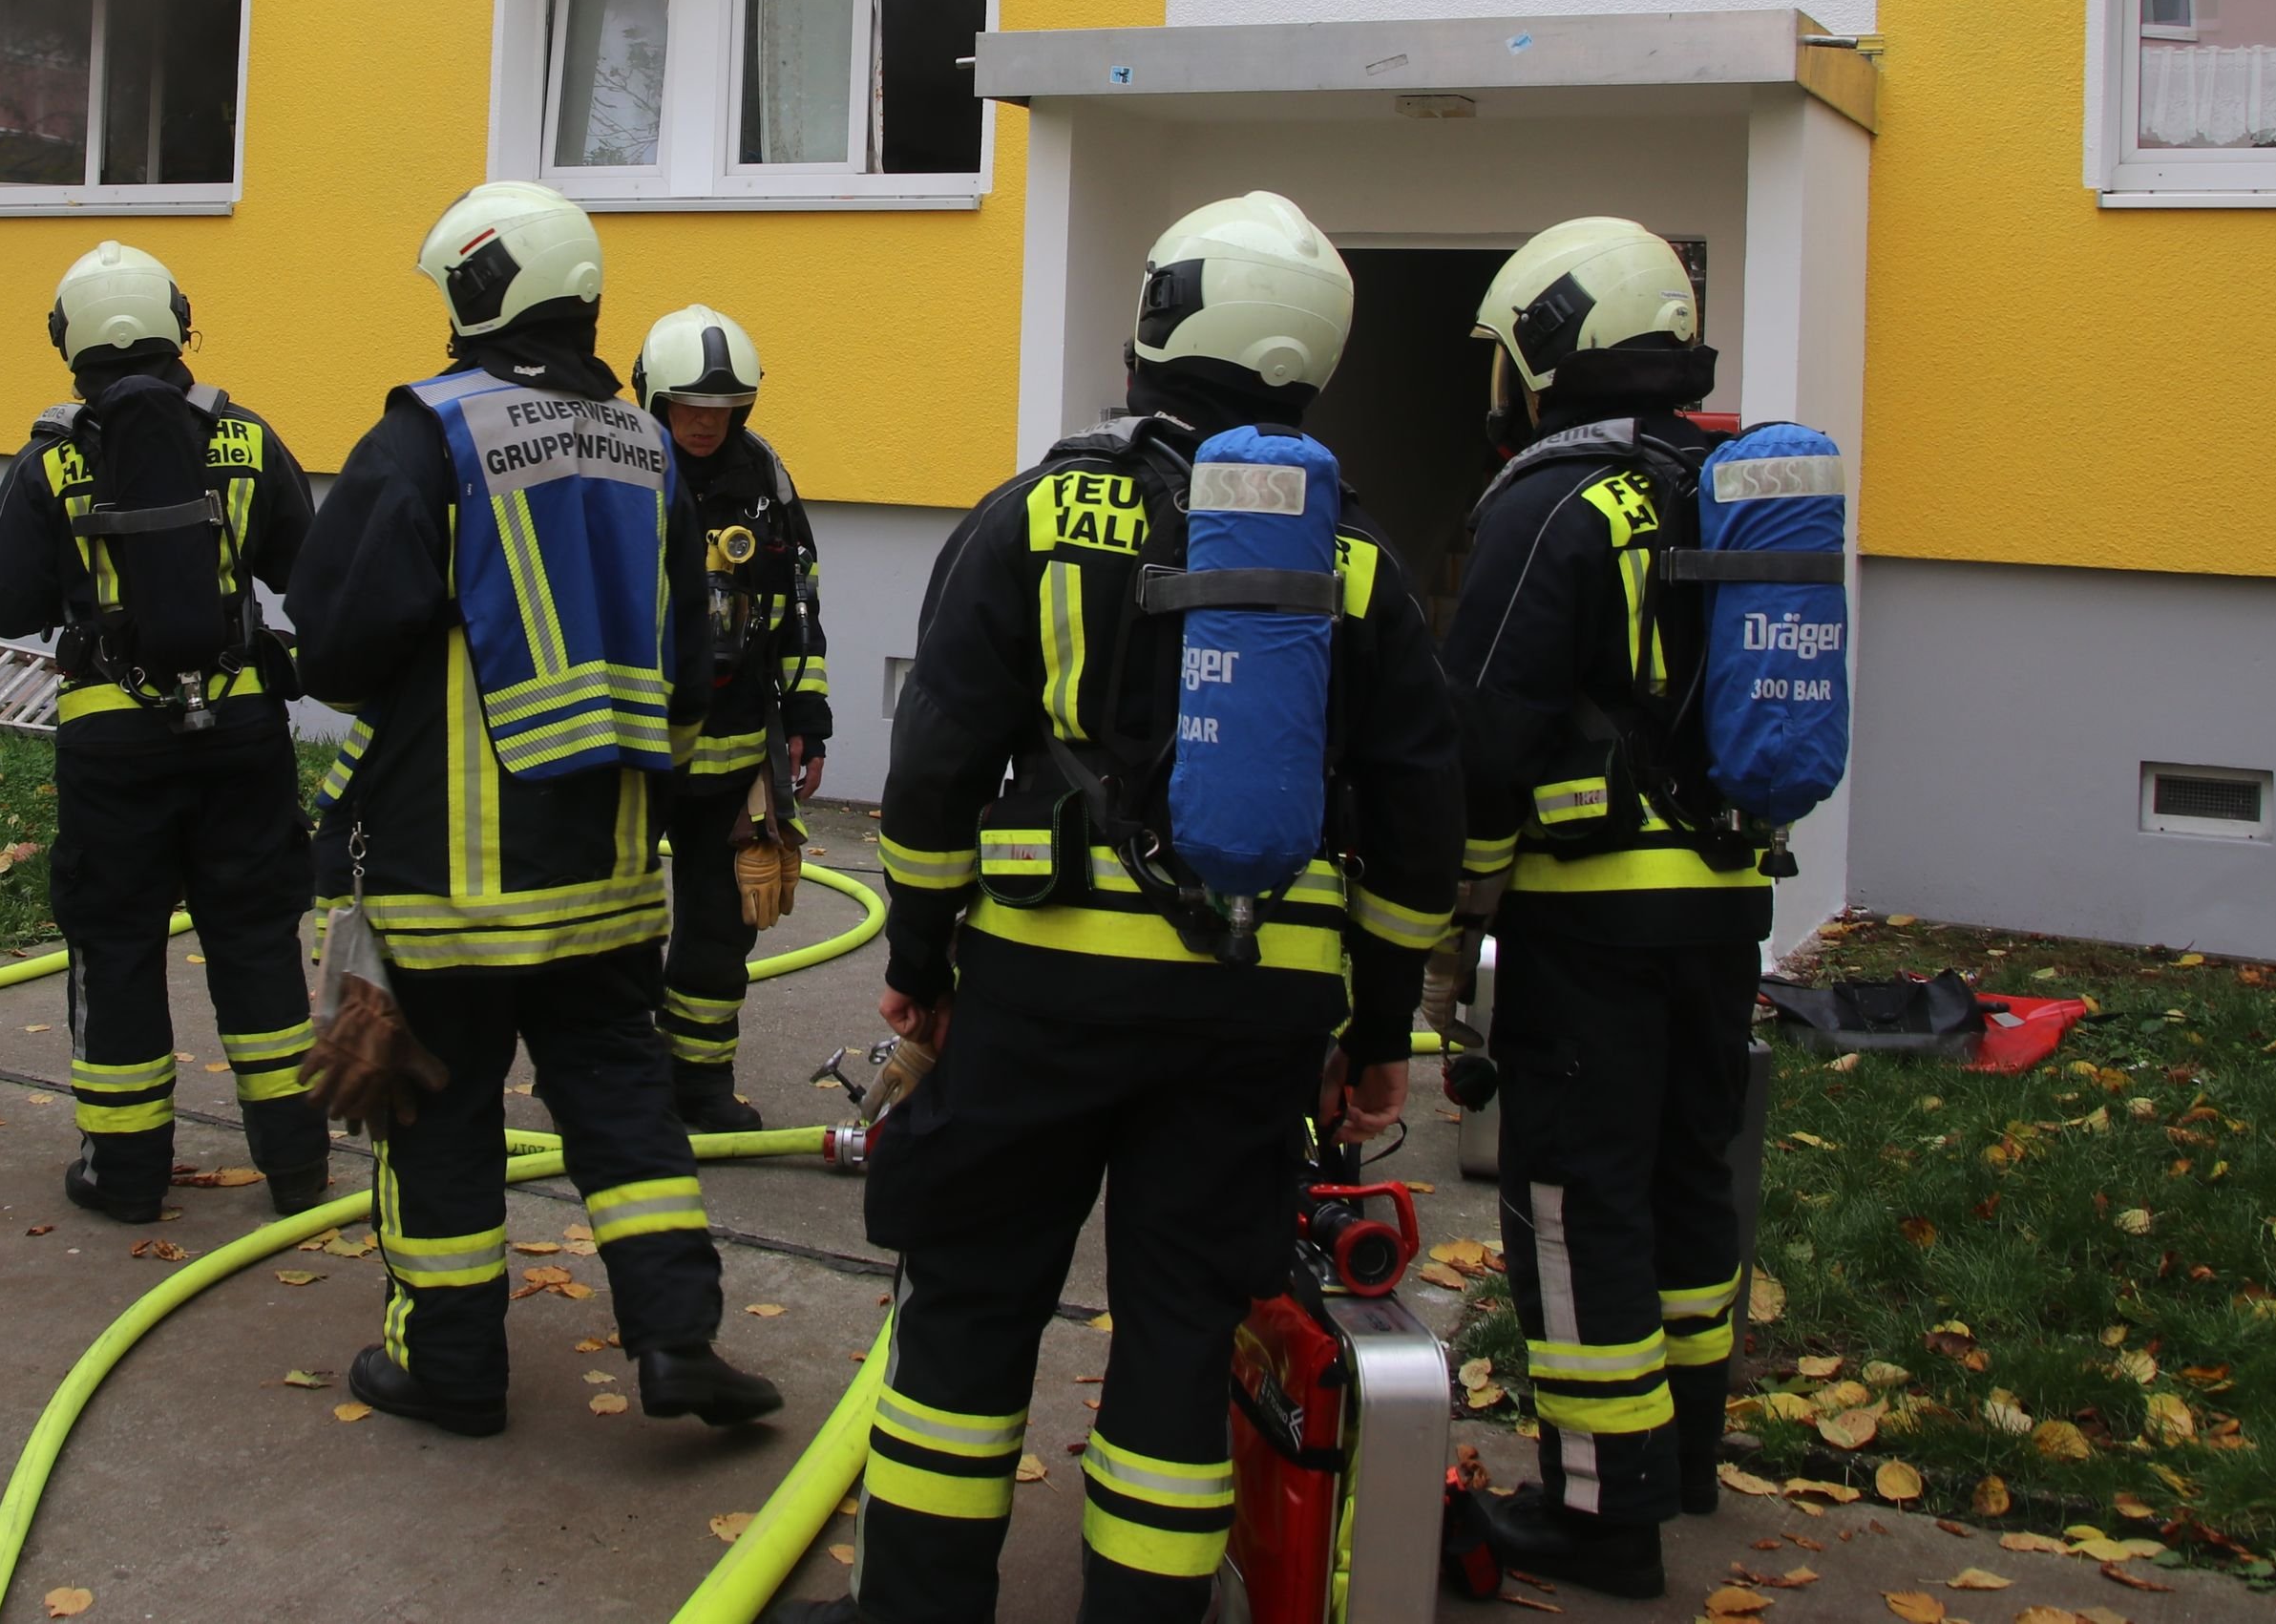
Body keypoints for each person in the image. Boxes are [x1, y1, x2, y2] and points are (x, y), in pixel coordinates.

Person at [830, 193, 1461, 1624]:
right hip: (1258, 1010)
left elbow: (930, 774)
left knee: (973, 1305)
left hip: (1042, 989)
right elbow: (1421, 825)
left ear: (1162, 321)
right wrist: (1376, 1033)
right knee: (1183, 1328)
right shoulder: (1350, 558)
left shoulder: (1039, 510)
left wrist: (921, 962)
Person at [289, 180, 782, 1438]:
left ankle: (451, 1363)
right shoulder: (641, 446)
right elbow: (690, 658)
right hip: (609, 873)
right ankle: (677, 1339)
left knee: (438, 1109)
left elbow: (336, 639)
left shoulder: (425, 433)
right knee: (621, 1100)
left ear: (473, 292)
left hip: (448, 871)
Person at [1445, 217, 1770, 1602]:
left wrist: (1445, 904)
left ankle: (1600, 1507)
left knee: (1579, 1200)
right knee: (1692, 1174)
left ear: (1555, 341)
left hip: (1592, 914)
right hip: (1728, 896)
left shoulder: (1549, 497)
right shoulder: (1729, 481)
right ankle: (1683, 1456)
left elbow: (1485, 725)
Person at [0, 242, 329, 1222]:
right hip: (243, 732)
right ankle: (293, 1167)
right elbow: (320, 577)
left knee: (116, 947)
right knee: (255, 940)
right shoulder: (246, 442)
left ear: (68, 340)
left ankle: (122, 1176)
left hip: (110, 746)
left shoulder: (51, 459)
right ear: (178, 328)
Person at [628, 302, 830, 1133]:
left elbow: (798, 606)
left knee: (720, 930)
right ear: (653, 401)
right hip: (634, 751)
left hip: (733, 754)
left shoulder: (765, 480)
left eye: (720, 411)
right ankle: (624, 1085)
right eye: (688, 410)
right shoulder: (623, 472)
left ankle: (701, 1090)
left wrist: (807, 714)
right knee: (622, 927)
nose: (705, 425)